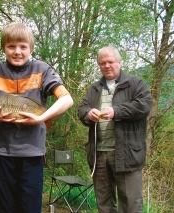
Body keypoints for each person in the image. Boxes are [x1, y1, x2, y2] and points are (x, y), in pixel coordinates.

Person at [0, 22, 73, 213]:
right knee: (4, 207)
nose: (17, 51)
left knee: (30, 207)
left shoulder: (42, 69)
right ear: (3, 48)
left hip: (33, 153)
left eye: (23, 47)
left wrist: (41, 118)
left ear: (31, 48)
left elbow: (67, 99)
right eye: (11, 46)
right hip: (1, 152)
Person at [78, 45, 152, 213]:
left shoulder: (135, 83)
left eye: (110, 61)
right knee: (104, 204)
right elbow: (81, 109)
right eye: (102, 63)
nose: (107, 66)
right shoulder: (94, 88)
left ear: (119, 62)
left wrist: (117, 111)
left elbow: (144, 105)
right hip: (99, 154)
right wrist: (88, 114)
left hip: (127, 154)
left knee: (131, 204)